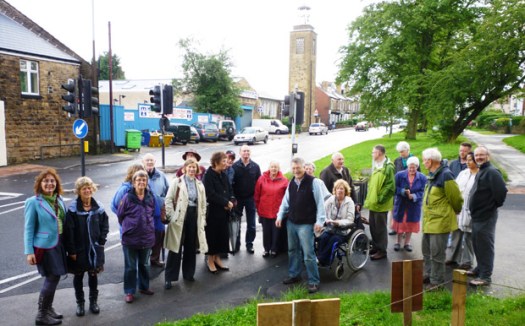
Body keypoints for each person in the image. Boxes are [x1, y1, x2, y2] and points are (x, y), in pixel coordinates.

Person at [276, 157, 326, 294]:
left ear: (304, 167)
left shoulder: (314, 182)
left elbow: (321, 204)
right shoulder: (291, 182)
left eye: (298, 168)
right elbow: (285, 202)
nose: (296, 170)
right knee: (292, 251)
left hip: (306, 224)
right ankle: (294, 275)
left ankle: (314, 281)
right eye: (293, 168)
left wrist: (320, 221)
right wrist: (280, 216)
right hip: (291, 222)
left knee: (308, 254)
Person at [24, 168, 67, 325]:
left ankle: (48, 308)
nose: (49, 183)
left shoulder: (59, 200)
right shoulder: (33, 202)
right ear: (40, 184)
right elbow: (28, 228)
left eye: (52, 181)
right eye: (46, 181)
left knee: (54, 277)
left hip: (59, 244)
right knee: (52, 277)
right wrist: (29, 252)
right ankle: (42, 314)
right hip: (45, 246)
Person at [64, 177, 109, 317]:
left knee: (93, 275)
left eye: (89, 188)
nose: (87, 190)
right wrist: (71, 250)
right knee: (78, 277)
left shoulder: (99, 208)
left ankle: (93, 302)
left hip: (95, 249)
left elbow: (104, 225)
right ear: (78, 191)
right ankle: (80, 303)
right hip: (78, 250)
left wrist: (101, 241)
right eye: (84, 188)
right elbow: (69, 231)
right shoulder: (72, 210)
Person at [421, 148, 463, 289]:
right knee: (426, 251)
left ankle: (436, 282)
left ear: (430, 161)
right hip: (429, 221)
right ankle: (429, 274)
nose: (423, 162)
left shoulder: (445, 175)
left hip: (440, 222)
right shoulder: (432, 174)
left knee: (437, 254)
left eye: (424, 160)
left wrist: (455, 211)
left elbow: (456, 198)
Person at [163, 158, 208, 289]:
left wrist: (202, 218)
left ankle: (188, 274)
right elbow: (168, 199)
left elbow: (204, 204)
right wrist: (172, 216)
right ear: (184, 169)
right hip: (179, 217)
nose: (192, 169)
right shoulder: (176, 182)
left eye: (194, 167)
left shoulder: (200, 184)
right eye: (190, 167)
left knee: (190, 247)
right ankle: (169, 278)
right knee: (175, 248)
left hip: (194, 217)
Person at [467, 146, 507, 286]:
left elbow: (501, 193)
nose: (478, 157)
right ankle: (480, 268)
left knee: (485, 245)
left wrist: (490, 207)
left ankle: (485, 277)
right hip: (477, 216)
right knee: (477, 244)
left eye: (482, 155)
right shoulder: (482, 170)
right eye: (477, 155)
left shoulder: (492, 172)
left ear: (488, 156)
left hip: (486, 216)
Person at [117, 170, 156, 303]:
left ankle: (144, 287)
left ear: (146, 182)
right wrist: (130, 228)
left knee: (144, 265)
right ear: (133, 183)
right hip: (130, 239)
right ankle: (129, 291)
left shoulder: (151, 197)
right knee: (131, 267)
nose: (141, 182)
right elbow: (120, 216)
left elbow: (152, 213)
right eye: (138, 180)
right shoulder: (127, 198)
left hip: (147, 237)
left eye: (144, 180)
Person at [445, 152, 478, 270]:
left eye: (470, 160)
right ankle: (453, 258)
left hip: (471, 210)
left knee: (469, 236)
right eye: (467, 160)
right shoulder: (463, 173)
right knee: (456, 234)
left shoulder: (480, 175)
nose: (468, 162)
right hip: (459, 209)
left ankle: (467, 261)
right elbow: (456, 188)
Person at [203, 152, 234, 273]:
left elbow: (230, 189)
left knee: (222, 236)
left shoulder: (224, 174)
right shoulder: (208, 175)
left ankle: (217, 258)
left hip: (224, 212)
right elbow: (210, 194)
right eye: (224, 161)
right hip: (213, 213)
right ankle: (210, 260)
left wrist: (231, 201)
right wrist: (225, 203)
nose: (226, 163)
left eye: (226, 161)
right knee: (212, 237)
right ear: (216, 162)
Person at [363, 145, 395, 261]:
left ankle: (382, 251)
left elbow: (390, 186)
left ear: (380, 153)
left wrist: (380, 199)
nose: (372, 154)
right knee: (373, 227)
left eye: (373, 152)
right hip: (373, 203)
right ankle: (376, 247)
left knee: (380, 228)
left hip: (380, 205)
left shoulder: (388, 167)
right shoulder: (377, 165)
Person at [254, 161, 288, 258]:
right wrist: (258, 207)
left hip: (277, 212)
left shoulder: (284, 180)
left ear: (278, 168)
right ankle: (266, 249)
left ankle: (274, 249)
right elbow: (257, 194)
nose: (274, 169)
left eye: (276, 167)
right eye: (272, 167)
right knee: (266, 231)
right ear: (269, 167)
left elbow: (287, 197)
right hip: (264, 210)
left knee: (276, 231)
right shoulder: (262, 179)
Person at [317, 179, 355, 267]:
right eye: (338, 188)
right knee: (323, 238)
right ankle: (322, 260)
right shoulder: (330, 200)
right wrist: (326, 220)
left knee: (334, 240)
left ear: (345, 191)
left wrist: (337, 222)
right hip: (330, 228)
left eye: (342, 189)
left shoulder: (349, 202)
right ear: (335, 190)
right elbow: (323, 212)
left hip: (343, 230)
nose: (339, 190)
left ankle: (320, 259)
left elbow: (350, 219)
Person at [392, 157, 427, 252]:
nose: (412, 169)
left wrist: (414, 196)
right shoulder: (399, 175)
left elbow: (424, 191)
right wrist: (403, 191)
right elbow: (394, 188)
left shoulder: (422, 177)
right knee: (400, 223)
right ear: (407, 167)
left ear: (417, 167)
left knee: (410, 224)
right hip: (401, 203)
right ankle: (397, 242)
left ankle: (407, 243)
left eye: (414, 167)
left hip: (413, 205)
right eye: (410, 167)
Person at [232, 145, 261, 254]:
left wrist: (257, 198)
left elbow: (259, 183)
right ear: (240, 153)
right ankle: (236, 244)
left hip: (250, 198)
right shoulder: (234, 167)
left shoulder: (255, 167)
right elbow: (231, 184)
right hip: (238, 199)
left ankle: (249, 244)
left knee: (251, 224)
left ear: (250, 152)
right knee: (237, 223)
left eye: (248, 151)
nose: (246, 153)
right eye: (244, 151)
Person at [142, 153, 170, 268]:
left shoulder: (161, 175)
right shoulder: (140, 175)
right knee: (145, 236)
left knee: (159, 236)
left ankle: (155, 258)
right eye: (147, 160)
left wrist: (163, 201)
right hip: (144, 214)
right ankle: (144, 259)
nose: (149, 162)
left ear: (155, 162)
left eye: (151, 160)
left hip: (159, 213)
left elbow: (168, 191)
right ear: (142, 162)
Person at [389, 141, 418, 236]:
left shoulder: (414, 160)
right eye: (399, 152)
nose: (400, 154)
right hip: (398, 189)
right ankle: (395, 228)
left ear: (407, 150)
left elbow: (418, 175)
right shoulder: (397, 160)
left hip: (410, 189)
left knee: (407, 211)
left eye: (402, 151)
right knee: (395, 209)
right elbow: (394, 174)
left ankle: (405, 230)